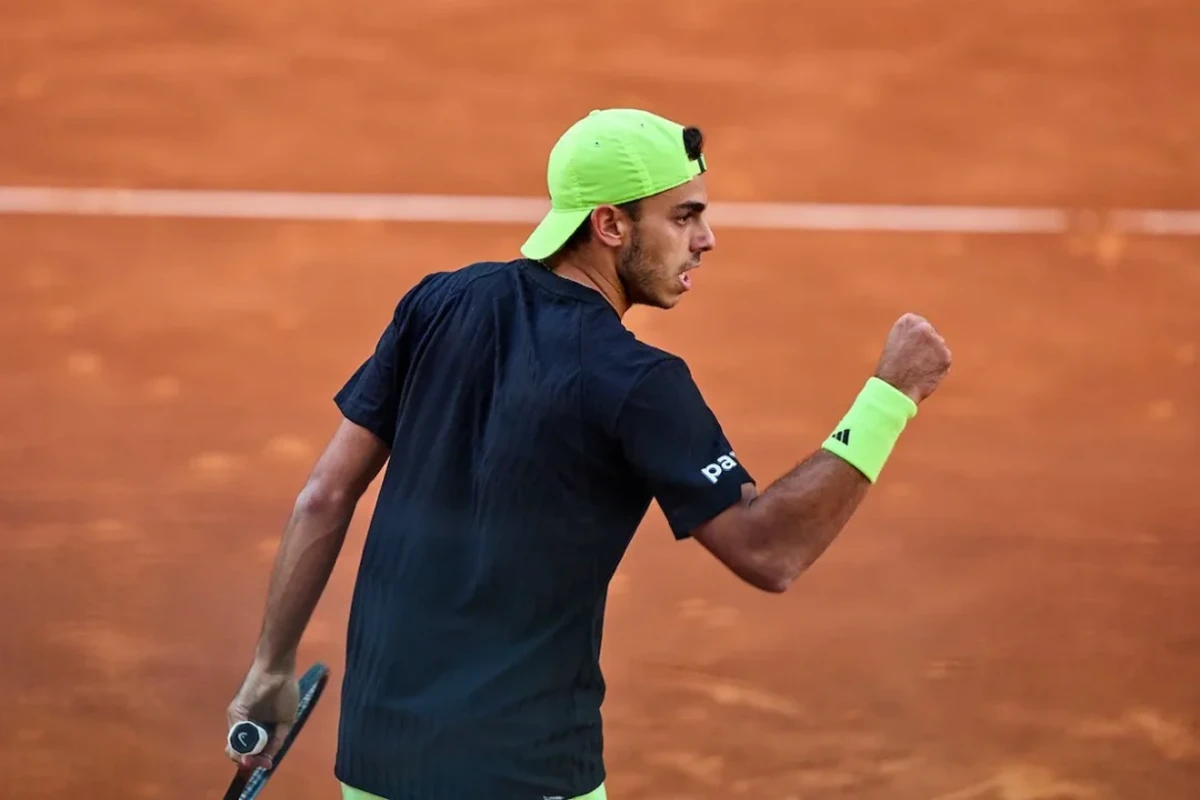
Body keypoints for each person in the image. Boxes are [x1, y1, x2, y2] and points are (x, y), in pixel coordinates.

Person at [224, 108, 952, 800]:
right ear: (609, 224)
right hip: (523, 772)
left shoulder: (438, 303)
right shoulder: (638, 383)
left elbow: (323, 495)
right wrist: (889, 396)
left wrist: (270, 667)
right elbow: (770, 550)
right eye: (684, 216)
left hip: (377, 761)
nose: (707, 239)